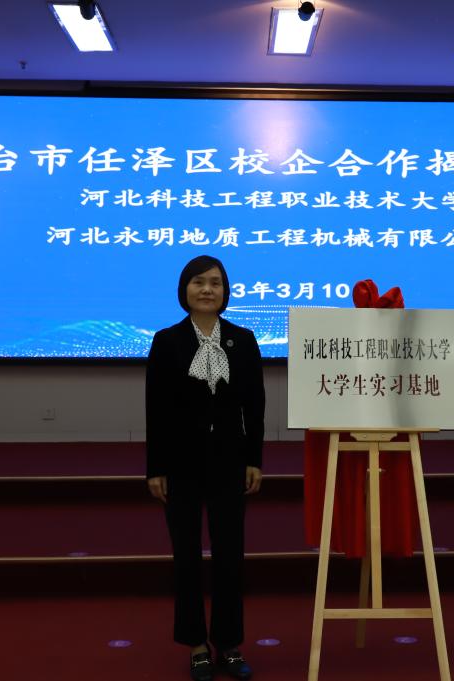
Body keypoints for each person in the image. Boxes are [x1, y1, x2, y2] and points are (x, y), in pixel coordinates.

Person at [146, 255, 265, 681]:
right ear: (185, 290)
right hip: (180, 465)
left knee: (230, 556)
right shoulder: (166, 341)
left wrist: (254, 460)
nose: (207, 290)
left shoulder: (243, 340)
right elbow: (156, 410)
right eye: (198, 282)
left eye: (215, 282)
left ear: (225, 291)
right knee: (187, 557)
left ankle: (229, 644)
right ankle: (196, 644)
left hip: (230, 463)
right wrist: (155, 468)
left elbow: (255, 406)